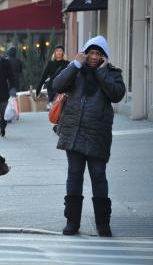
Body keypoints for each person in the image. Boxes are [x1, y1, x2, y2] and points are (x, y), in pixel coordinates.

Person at [52, 36, 126, 237]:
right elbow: (57, 85)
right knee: (74, 177)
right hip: (74, 134)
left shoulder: (112, 73)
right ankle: (72, 222)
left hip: (97, 136)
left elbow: (117, 94)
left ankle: (103, 224)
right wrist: (75, 64)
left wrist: (102, 73)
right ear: (85, 53)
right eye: (91, 53)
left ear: (103, 56)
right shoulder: (76, 71)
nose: (93, 57)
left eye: (98, 53)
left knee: (99, 178)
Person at [36, 45, 70, 110]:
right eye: (57, 51)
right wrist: (39, 88)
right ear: (54, 52)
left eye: (60, 51)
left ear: (63, 52)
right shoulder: (50, 63)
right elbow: (44, 76)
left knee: (62, 107)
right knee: (54, 108)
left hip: (62, 88)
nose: (59, 52)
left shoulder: (67, 63)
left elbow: (70, 75)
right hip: (52, 87)